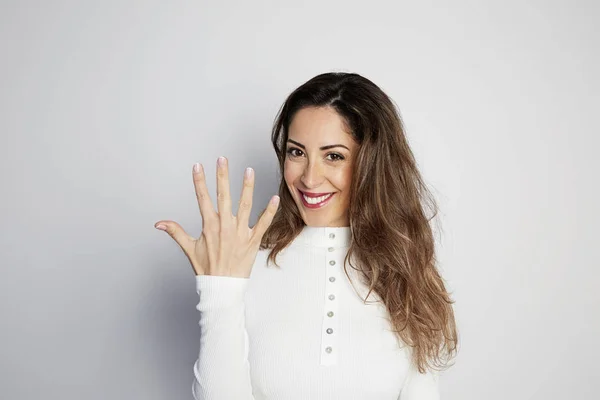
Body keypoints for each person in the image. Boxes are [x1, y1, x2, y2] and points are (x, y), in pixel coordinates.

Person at [154, 72, 458, 399]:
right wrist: (220, 290)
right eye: (297, 153)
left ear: (371, 164)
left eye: (334, 156)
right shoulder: (245, 265)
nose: (309, 179)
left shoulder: (407, 273)